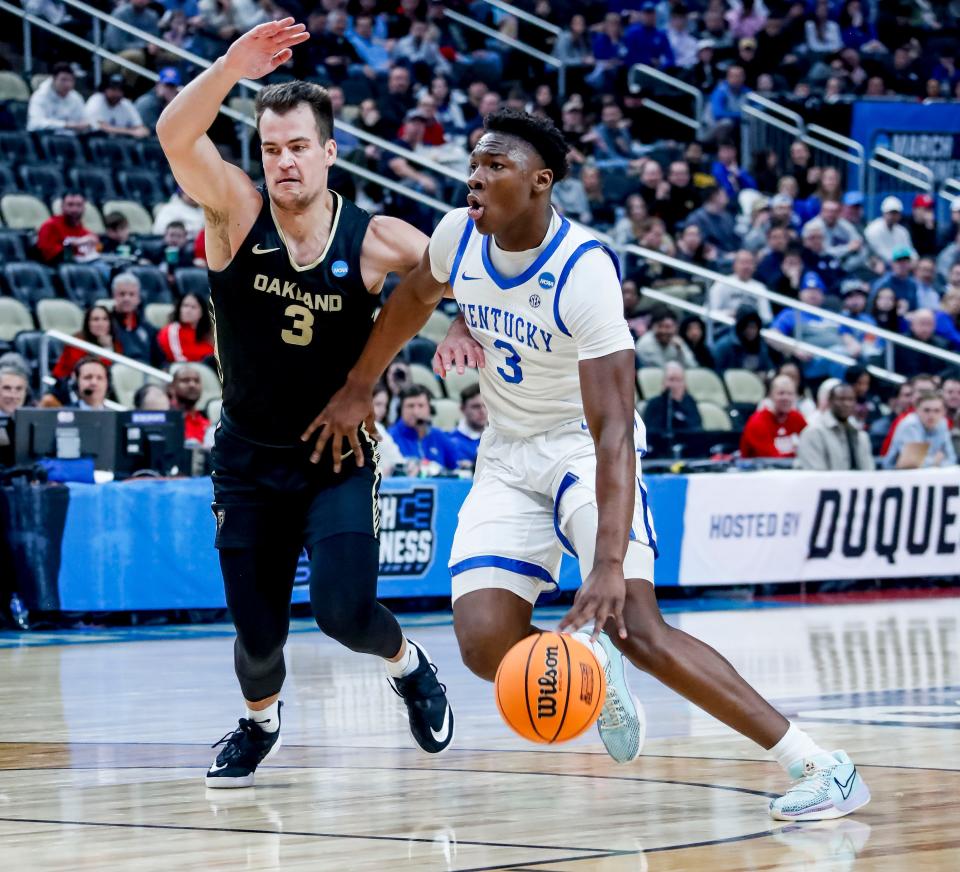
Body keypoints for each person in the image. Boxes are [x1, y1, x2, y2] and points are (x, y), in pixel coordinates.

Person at [305, 108, 870, 820]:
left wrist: (604, 566)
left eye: (495, 167)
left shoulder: (585, 270)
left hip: (582, 446)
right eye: (473, 166)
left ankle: (821, 765)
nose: (475, 178)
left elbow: (611, 431)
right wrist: (361, 386)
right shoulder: (456, 236)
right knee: (483, 644)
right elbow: (415, 295)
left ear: (541, 183)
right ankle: (595, 671)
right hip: (508, 454)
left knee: (636, 622)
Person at [156, 19, 453, 787]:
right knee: (258, 642)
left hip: (336, 459)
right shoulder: (236, 213)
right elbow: (174, 133)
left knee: (344, 613)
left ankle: (411, 667)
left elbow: (452, 271)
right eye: (270, 148)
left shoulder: (377, 238)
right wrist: (229, 66)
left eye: (297, 147)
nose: (283, 161)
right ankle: (260, 722)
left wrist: (466, 330)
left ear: (329, 151)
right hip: (249, 458)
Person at [795, 383, 875, 471]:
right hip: (826, 484)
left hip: (857, 484)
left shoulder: (861, 435)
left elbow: (869, 472)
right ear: (830, 401)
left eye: (850, 399)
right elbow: (815, 476)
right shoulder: (813, 433)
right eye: (841, 399)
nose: (846, 404)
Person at [387, 384, 459, 470]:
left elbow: (456, 470)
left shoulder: (439, 436)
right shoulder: (389, 437)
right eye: (410, 406)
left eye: (421, 406)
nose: (416, 412)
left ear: (430, 409)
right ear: (400, 410)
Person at [883, 392, 957, 469]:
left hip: (930, 475)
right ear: (917, 410)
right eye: (926, 410)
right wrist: (935, 461)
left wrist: (935, 462)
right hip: (895, 475)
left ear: (943, 412)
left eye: (937, 410)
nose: (931, 415)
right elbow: (912, 463)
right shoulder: (909, 424)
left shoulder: (942, 423)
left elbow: (952, 459)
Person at [740, 375, 807, 459]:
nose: (786, 398)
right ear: (770, 395)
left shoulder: (797, 417)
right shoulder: (757, 423)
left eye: (790, 394)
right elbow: (772, 459)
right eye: (781, 393)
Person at [51, 305, 123, 381]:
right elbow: (90, 371)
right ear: (88, 323)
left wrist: (109, 346)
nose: (101, 323)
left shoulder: (116, 344)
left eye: (105, 319)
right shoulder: (77, 343)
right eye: (95, 319)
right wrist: (106, 349)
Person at [110, 272, 162, 367]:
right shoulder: (106, 325)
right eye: (122, 294)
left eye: (131, 294)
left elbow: (159, 362)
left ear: (138, 298)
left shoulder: (149, 330)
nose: (127, 298)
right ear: (114, 296)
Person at [707, 249, 773, 323]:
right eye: (742, 263)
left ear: (755, 267)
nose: (746, 267)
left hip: (750, 328)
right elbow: (708, 312)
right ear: (734, 265)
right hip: (724, 327)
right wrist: (729, 314)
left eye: (749, 263)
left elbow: (767, 317)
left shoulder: (760, 288)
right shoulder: (722, 284)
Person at [36, 191, 100, 265]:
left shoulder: (86, 233)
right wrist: (73, 245)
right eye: (70, 205)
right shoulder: (50, 226)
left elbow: (97, 251)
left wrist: (96, 245)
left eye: (79, 205)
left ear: (84, 207)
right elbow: (47, 254)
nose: (74, 209)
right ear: (62, 206)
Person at [26, 62, 89, 132]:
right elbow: (35, 124)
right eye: (63, 80)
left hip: (71, 139)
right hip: (46, 139)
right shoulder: (40, 96)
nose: (68, 84)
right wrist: (65, 125)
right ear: (53, 79)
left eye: (71, 80)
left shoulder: (76, 97)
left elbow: (84, 120)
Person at [643, 362, 702, 436]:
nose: (675, 385)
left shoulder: (690, 402)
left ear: (685, 384)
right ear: (663, 382)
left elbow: (697, 430)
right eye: (671, 380)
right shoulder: (654, 404)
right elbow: (651, 434)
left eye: (679, 380)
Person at [84, 74, 149, 138]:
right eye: (113, 89)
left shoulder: (126, 103)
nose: (116, 93)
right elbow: (103, 127)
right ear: (105, 89)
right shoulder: (96, 99)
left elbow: (141, 128)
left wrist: (141, 131)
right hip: (95, 142)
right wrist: (131, 132)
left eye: (120, 90)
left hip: (119, 144)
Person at [158, 292, 215, 363]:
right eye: (185, 306)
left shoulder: (206, 333)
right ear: (179, 309)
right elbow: (179, 359)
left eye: (193, 307)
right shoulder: (172, 330)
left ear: (202, 313)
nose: (188, 310)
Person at [864, 196, 916, 266]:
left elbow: (910, 250)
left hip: (901, 264)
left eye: (896, 213)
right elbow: (880, 252)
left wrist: (914, 260)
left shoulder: (902, 231)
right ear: (884, 213)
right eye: (891, 213)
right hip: (879, 264)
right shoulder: (873, 229)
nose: (893, 216)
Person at [446, 383, 487, 466]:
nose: (482, 411)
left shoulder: (499, 438)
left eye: (485, 405)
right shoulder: (451, 441)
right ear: (462, 409)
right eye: (476, 407)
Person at [168, 365, 210, 442]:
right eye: (185, 380)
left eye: (196, 381)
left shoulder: (208, 423)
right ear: (171, 387)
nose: (192, 385)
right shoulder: (165, 420)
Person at [370, 382, 404, 475]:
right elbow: (399, 462)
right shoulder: (375, 427)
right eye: (378, 404)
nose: (383, 410)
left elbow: (398, 462)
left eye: (385, 405)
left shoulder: (379, 428)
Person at [134, 66, 181, 132]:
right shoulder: (146, 103)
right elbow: (155, 131)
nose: (169, 89)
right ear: (158, 85)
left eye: (172, 86)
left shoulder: (175, 102)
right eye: (167, 85)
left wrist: (171, 104)